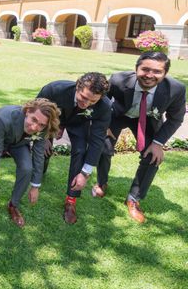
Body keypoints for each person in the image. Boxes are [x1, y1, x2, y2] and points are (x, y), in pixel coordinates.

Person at [95, 51, 185, 223]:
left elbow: (176, 118)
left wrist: (158, 143)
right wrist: (104, 125)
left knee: (152, 157)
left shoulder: (176, 89)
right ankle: (101, 183)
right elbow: (102, 101)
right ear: (136, 69)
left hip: (149, 119)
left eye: (157, 71)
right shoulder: (118, 80)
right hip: (119, 114)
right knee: (103, 146)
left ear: (165, 74)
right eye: (145, 69)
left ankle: (133, 199)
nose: (150, 75)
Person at [38, 73, 111, 224]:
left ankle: (71, 201)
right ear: (78, 86)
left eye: (93, 101)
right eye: (83, 97)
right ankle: (40, 171)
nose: (86, 103)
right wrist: (45, 136)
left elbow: (97, 141)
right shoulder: (54, 89)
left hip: (78, 123)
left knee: (80, 150)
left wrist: (85, 173)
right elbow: (37, 113)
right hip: (52, 119)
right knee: (43, 150)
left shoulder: (104, 107)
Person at [0, 99, 60, 227]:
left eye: (41, 125)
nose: (35, 127)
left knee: (27, 168)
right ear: (27, 111)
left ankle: (13, 205)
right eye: (34, 120)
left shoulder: (42, 128)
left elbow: (38, 156)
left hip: (18, 144)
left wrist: (35, 186)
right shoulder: (3, 119)